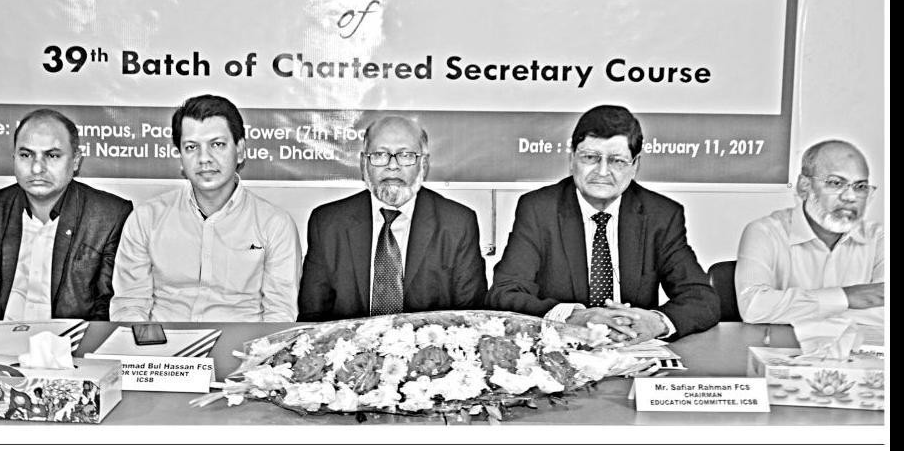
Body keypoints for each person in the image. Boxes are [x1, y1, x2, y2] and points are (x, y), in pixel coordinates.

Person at [486, 105, 719, 342]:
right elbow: (505, 293)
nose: (602, 171)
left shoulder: (660, 215)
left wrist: (657, 322)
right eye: (590, 157)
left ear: (635, 165)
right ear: (572, 158)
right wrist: (571, 316)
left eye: (617, 161)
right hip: (562, 349)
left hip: (631, 349)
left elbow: (701, 298)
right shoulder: (539, 209)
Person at [109, 95, 302, 322]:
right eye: (191, 147)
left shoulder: (275, 224)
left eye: (217, 145)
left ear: (240, 150)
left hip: (243, 342)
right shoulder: (146, 219)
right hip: (164, 340)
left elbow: (280, 314)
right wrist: (151, 343)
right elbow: (130, 306)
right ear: (180, 156)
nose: (204, 159)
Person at [0, 109, 133, 321]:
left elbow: (109, 310)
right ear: (14, 158)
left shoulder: (109, 216)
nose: (37, 168)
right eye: (26, 155)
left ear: (75, 161)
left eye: (52, 155)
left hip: (70, 339)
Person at [298, 115, 487, 321]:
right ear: (363, 163)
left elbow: (472, 317)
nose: (393, 166)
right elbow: (312, 318)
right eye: (380, 154)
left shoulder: (457, 224)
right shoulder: (327, 223)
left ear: (423, 164)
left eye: (405, 155)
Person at [735, 140, 883, 326]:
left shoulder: (880, 238)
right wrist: (847, 297)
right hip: (785, 343)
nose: (850, 197)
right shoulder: (765, 232)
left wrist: (796, 310)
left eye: (860, 187)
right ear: (804, 186)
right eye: (835, 183)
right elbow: (753, 307)